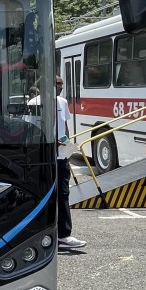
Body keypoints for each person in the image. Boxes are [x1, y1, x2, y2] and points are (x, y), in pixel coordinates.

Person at [55, 76, 86, 251]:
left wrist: (66, 143)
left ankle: (64, 235)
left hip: (61, 156)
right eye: (57, 84)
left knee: (63, 193)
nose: (59, 87)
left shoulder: (62, 102)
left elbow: (64, 126)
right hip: (45, 156)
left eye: (61, 84)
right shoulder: (35, 102)